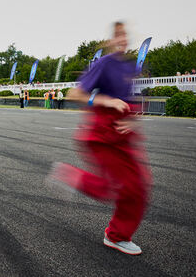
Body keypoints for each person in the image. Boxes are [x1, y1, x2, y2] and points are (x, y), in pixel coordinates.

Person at [47, 22, 151, 255]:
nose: (122, 39)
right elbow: (75, 94)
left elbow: (128, 102)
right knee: (111, 188)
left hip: (123, 134)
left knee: (138, 187)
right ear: (111, 40)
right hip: (101, 134)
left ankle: (118, 236)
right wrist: (107, 101)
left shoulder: (130, 67)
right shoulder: (104, 63)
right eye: (118, 35)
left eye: (125, 35)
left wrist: (131, 119)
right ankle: (70, 175)